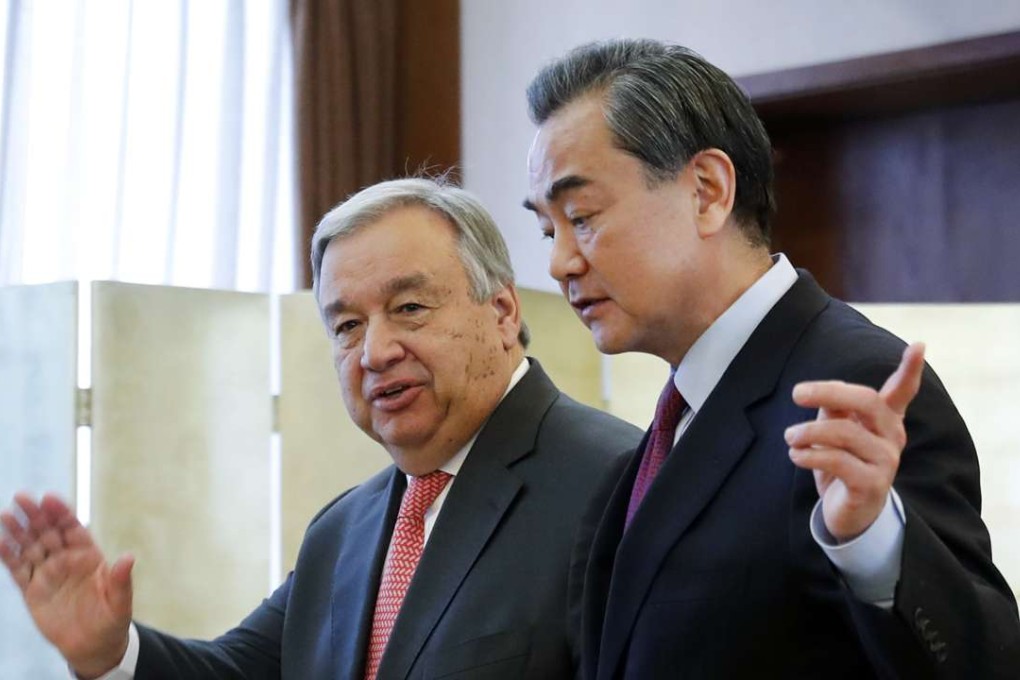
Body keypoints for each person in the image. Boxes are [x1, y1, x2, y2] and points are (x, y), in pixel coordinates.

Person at [0, 177, 641, 679]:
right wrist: (111, 652)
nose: (375, 352)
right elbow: (239, 674)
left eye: (409, 308)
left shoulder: (617, 483)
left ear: (501, 312)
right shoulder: (343, 529)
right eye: (348, 326)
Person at [523, 39, 1020, 678]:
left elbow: (985, 665)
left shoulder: (851, 386)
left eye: (582, 216)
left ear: (707, 191)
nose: (559, 262)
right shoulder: (663, 432)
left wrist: (874, 542)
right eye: (548, 230)